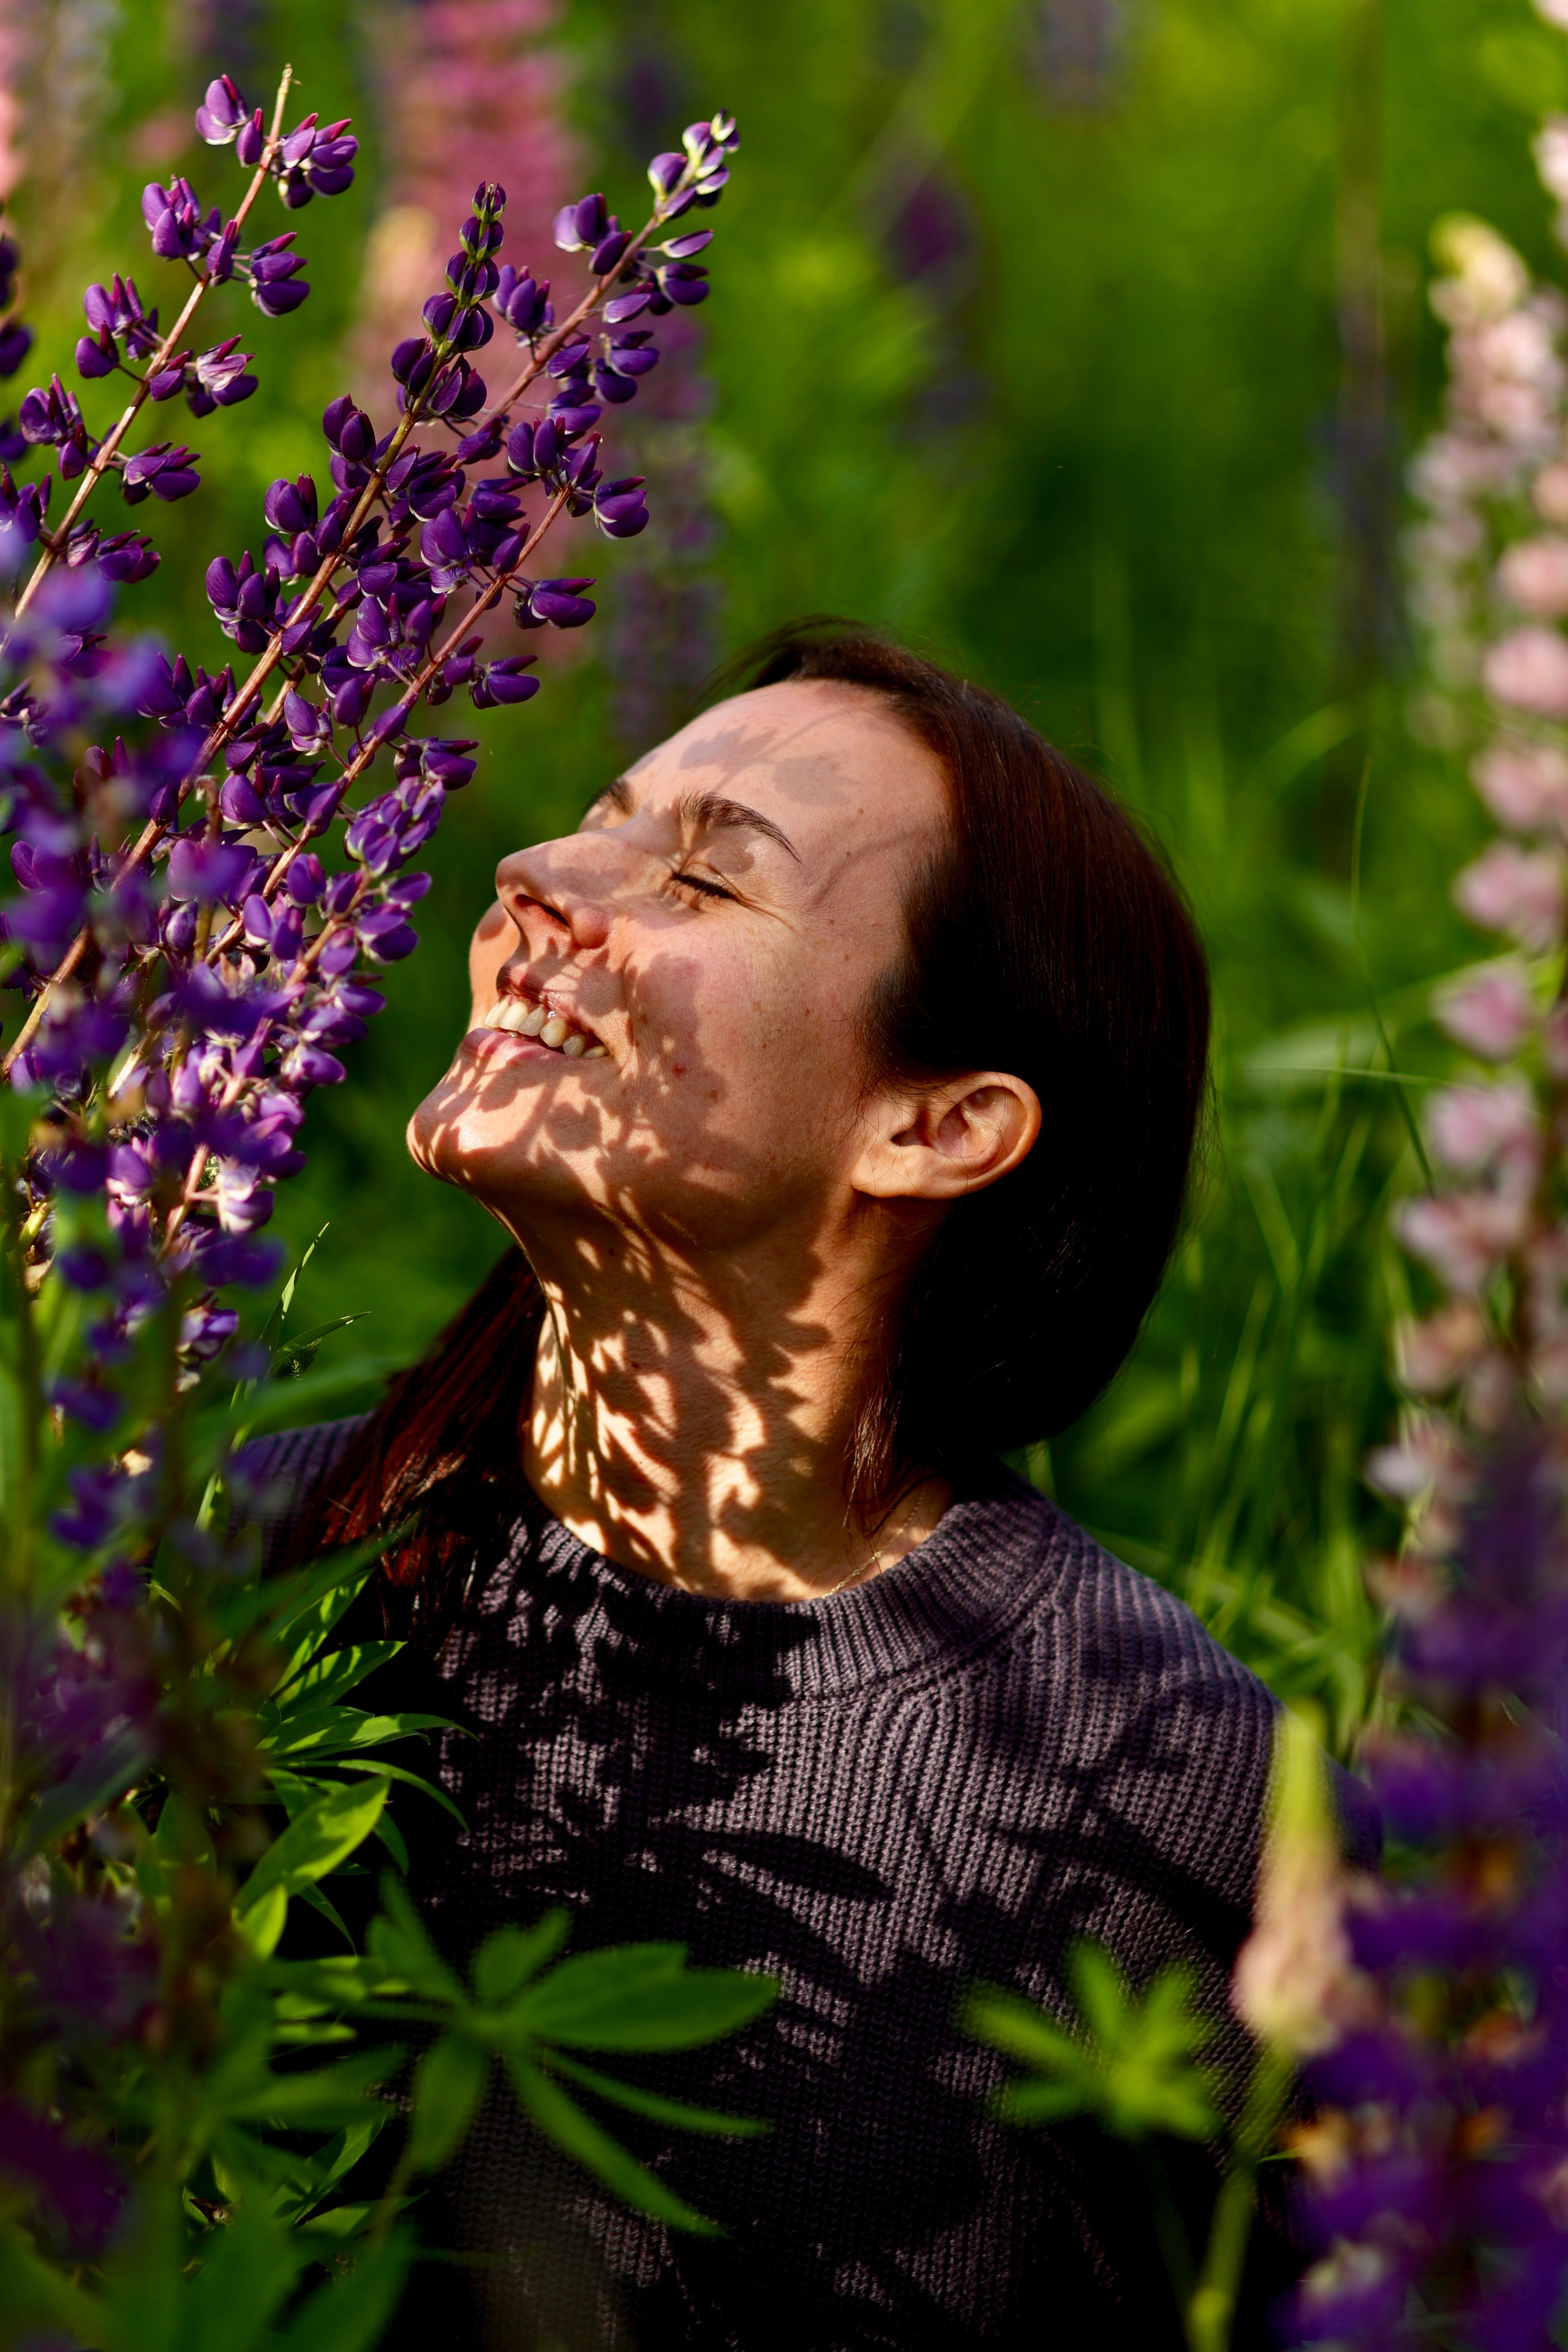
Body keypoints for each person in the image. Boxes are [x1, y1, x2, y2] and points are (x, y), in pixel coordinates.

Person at [247, 623, 1374, 2350]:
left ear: (938, 1127)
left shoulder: (1159, 1776)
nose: (539, 873)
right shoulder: (240, 1571)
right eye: (597, 819)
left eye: (701, 875)